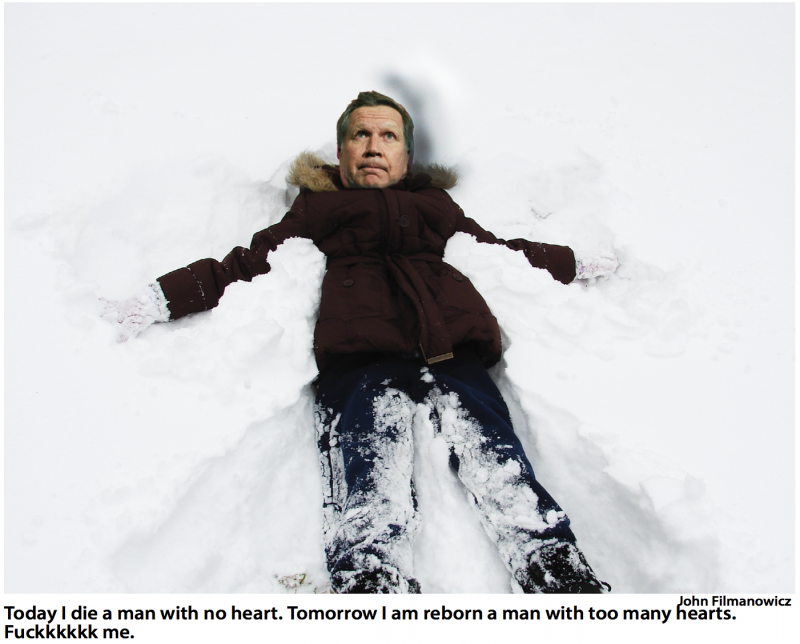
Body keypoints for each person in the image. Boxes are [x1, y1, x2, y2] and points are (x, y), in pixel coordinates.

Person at [102, 91, 618, 594]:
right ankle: (371, 580)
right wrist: (159, 298)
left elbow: (500, 251)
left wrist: (573, 262)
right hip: (361, 360)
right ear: (342, 150)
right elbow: (242, 266)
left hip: (450, 352)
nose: (373, 146)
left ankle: (557, 570)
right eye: (360, 135)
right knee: (371, 466)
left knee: (496, 456)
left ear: (406, 155)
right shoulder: (319, 208)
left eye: (388, 136)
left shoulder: (435, 206)